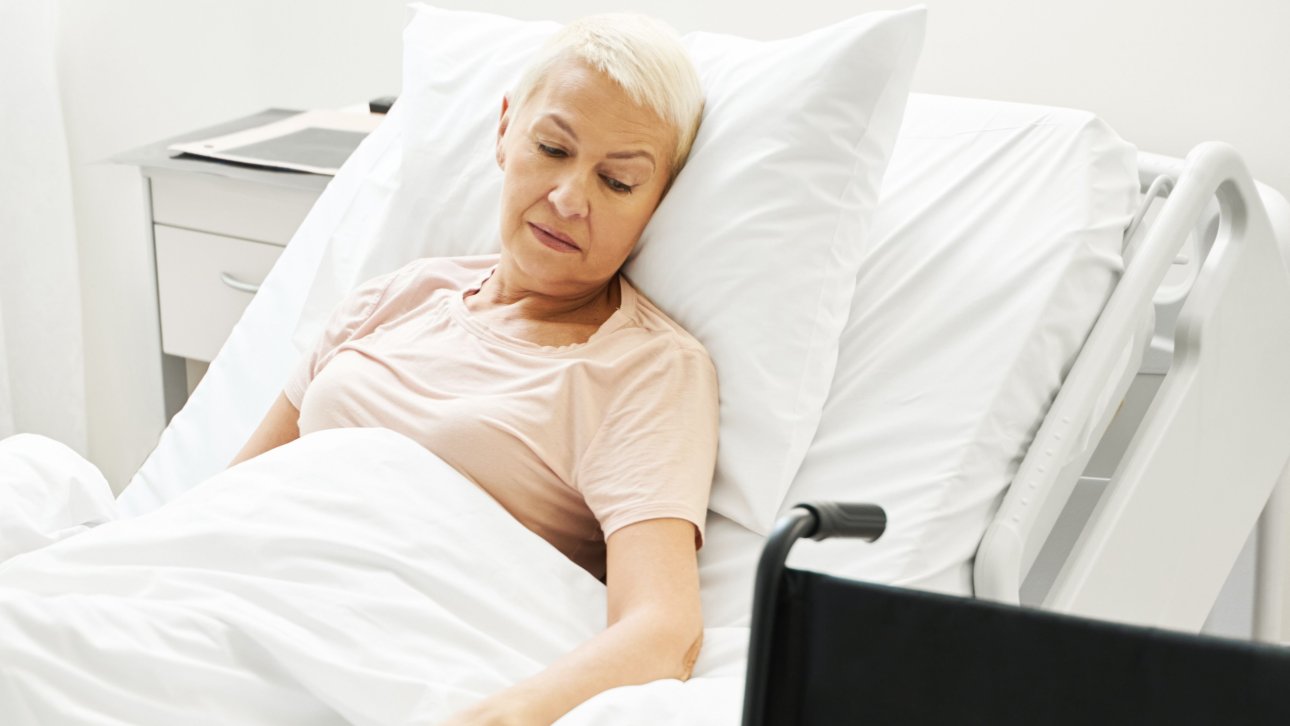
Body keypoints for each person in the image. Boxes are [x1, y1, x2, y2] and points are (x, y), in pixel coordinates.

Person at [229, 14, 717, 726]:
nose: (570, 197)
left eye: (616, 182)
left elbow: (665, 630)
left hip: (367, 658)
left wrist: (503, 716)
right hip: (237, 597)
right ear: (504, 132)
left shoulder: (641, 369)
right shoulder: (396, 296)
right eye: (553, 148)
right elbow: (233, 494)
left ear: (655, 207)